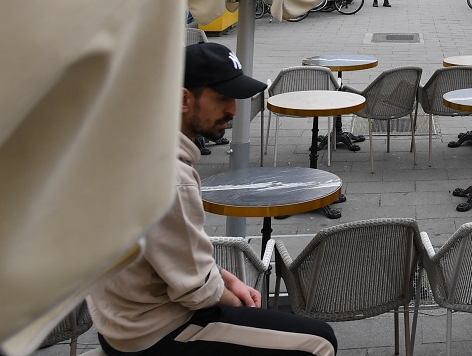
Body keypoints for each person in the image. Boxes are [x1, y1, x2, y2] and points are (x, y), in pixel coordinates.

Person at [88, 43, 337, 355]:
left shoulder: (130, 146)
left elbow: (175, 255)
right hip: (152, 331)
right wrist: (242, 310)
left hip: (117, 319)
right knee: (319, 342)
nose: (233, 110)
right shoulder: (168, 176)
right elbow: (196, 291)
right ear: (183, 99)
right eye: (222, 98)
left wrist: (227, 279)